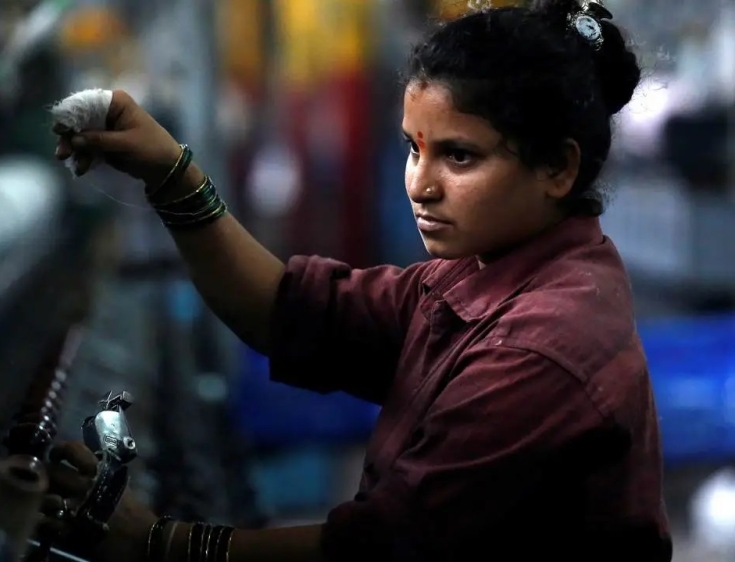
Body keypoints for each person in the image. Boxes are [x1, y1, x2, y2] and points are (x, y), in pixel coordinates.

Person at [46, 0, 673, 560]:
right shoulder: (476, 279)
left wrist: (157, 543)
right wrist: (171, 174)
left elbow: (379, 550)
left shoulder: (539, 349)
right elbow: (287, 311)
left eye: (460, 156)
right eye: (412, 149)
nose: (420, 185)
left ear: (558, 168)